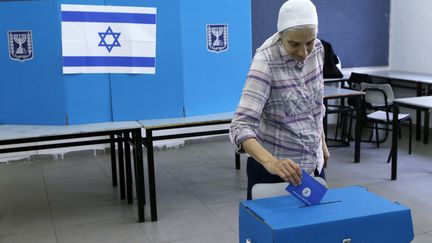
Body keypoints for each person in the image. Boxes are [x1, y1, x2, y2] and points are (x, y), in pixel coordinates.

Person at [229, 0, 330, 200]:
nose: (303, 53)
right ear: (281, 35)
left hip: (312, 165)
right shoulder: (265, 62)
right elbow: (240, 126)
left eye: (309, 42)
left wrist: (322, 140)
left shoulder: (317, 50)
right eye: (294, 44)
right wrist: (272, 163)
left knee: (313, 229)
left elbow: (314, 105)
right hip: (274, 171)